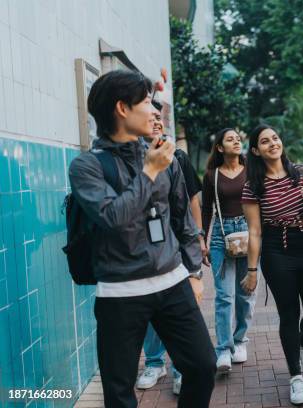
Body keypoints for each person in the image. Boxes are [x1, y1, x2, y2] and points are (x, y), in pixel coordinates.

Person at [69, 70, 216, 407]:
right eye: (147, 102)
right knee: (119, 392)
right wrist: (149, 172)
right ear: (122, 108)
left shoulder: (164, 155)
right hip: (121, 292)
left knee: (202, 366)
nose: (154, 111)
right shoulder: (86, 166)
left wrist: (194, 271)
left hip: (172, 281)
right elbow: (111, 217)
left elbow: (182, 217)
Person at [241, 125, 303, 405]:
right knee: (288, 314)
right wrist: (252, 271)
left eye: (275, 138)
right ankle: (295, 377)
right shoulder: (253, 186)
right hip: (275, 249)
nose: (272, 144)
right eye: (265, 141)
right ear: (256, 150)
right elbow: (255, 231)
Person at [135, 100, 206, 395]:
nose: (157, 122)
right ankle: (154, 362)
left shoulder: (176, 158)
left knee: (178, 312)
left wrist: (197, 246)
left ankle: (181, 370)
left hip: (173, 249)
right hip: (141, 253)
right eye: (151, 116)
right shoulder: (132, 158)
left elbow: (189, 202)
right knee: (152, 311)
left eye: (160, 118)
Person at [201, 128, 256, 373]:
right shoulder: (212, 175)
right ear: (220, 148)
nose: (236, 141)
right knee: (224, 297)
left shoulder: (252, 171)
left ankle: (240, 340)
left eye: (237, 138)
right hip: (221, 236)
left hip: (248, 233)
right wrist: (202, 238)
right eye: (229, 139)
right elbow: (205, 209)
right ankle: (223, 349)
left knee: (245, 293)